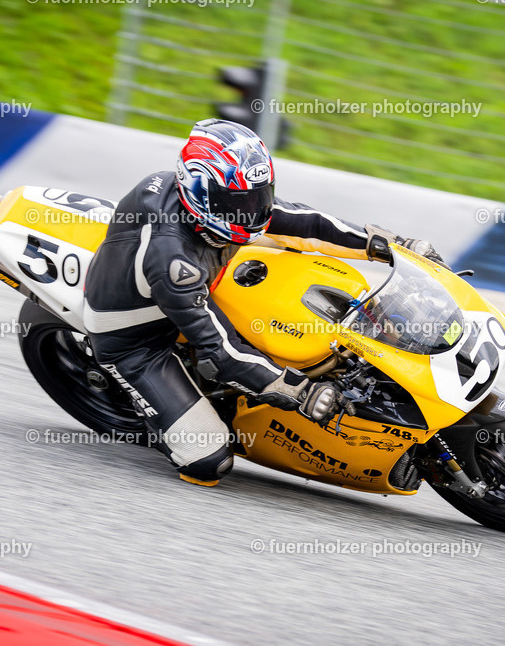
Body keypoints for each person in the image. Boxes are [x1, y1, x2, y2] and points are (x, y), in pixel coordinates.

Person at [83, 119, 443, 486]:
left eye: (260, 195)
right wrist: (300, 391)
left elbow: (309, 224)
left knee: (297, 260)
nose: (255, 209)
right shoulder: (173, 263)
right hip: (139, 340)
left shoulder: (225, 210)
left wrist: (394, 246)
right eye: (239, 201)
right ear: (199, 193)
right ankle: (166, 413)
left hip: (203, 277)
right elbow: (220, 352)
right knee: (208, 462)